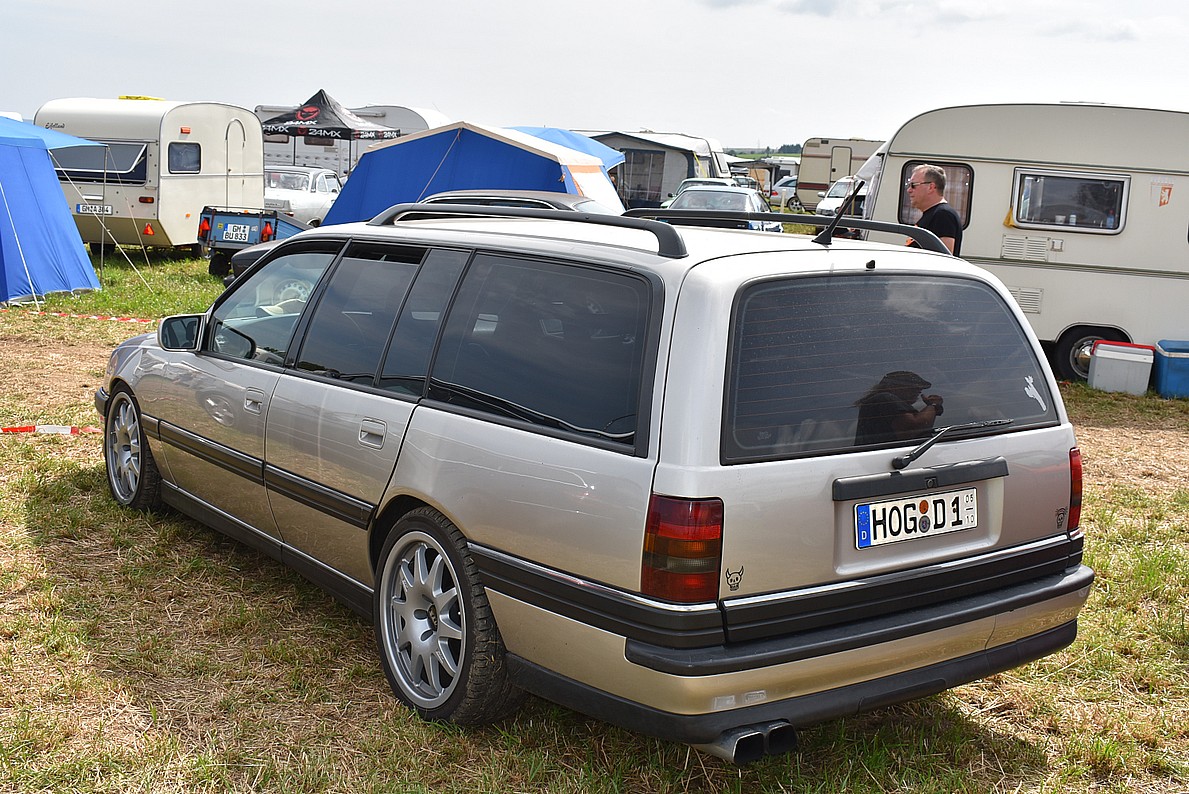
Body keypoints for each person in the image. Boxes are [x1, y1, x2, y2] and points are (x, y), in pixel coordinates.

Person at [854, 370, 945, 446]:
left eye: (919, 388)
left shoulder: (883, 402)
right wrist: (933, 405)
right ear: (892, 387)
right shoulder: (885, 398)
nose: (918, 390)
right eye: (912, 386)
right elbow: (913, 429)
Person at [906, 164, 962, 255]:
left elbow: (944, 257)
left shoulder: (943, 215)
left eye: (913, 185)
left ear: (931, 187)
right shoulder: (933, 214)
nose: (909, 190)